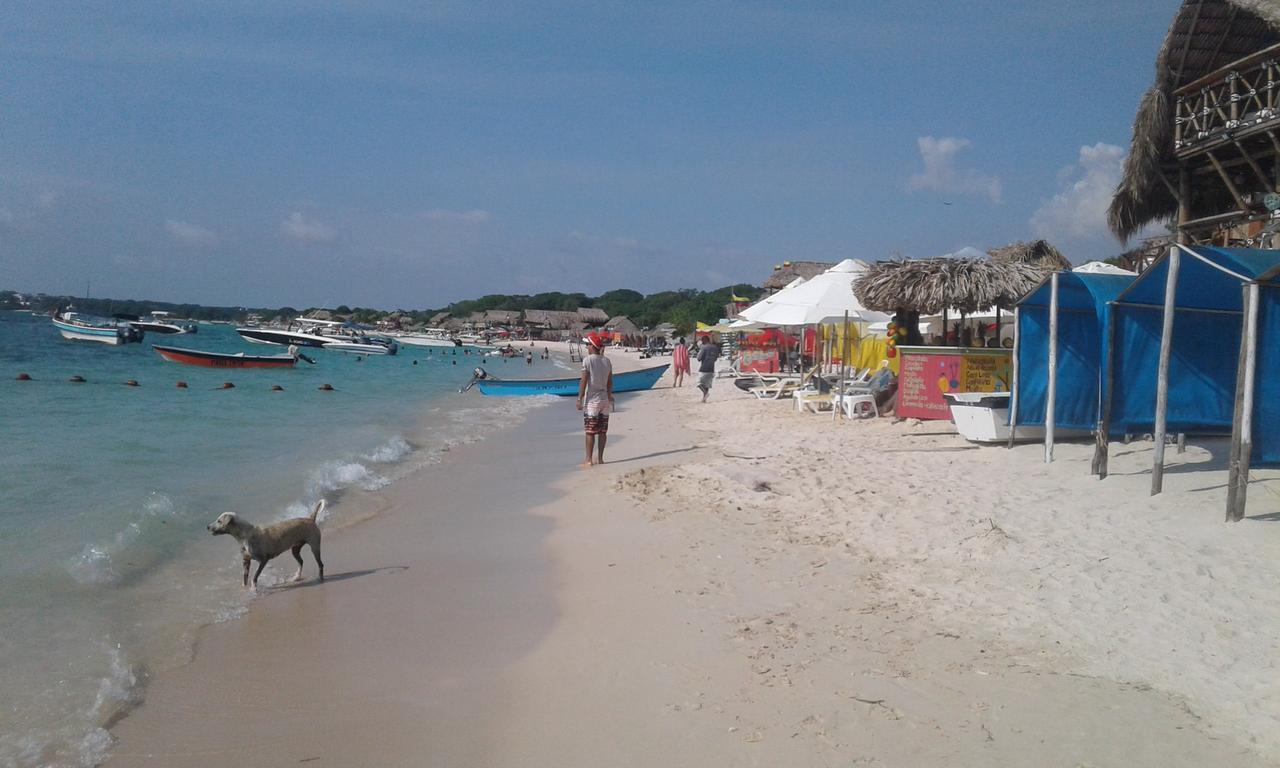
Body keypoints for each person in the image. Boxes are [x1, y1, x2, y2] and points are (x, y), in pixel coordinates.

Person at [576, 333, 614, 467]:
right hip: (604, 400)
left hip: (593, 400)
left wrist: (579, 398)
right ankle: (601, 458)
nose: (587, 347)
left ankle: (588, 460)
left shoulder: (588, 360)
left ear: (593, 346)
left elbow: (584, 380)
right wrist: (610, 396)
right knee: (603, 431)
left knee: (590, 431)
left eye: (588, 344)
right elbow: (610, 382)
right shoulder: (607, 361)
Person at [695, 334, 720, 403]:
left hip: (704, 368)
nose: (702, 342)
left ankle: (705, 394)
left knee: (698, 382)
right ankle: (704, 399)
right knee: (707, 384)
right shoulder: (715, 347)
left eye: (702, 341)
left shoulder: (704, 347)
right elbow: (715, 358)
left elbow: (699, 359)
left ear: (704, 340)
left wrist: (699, 352)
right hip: (712, 368)